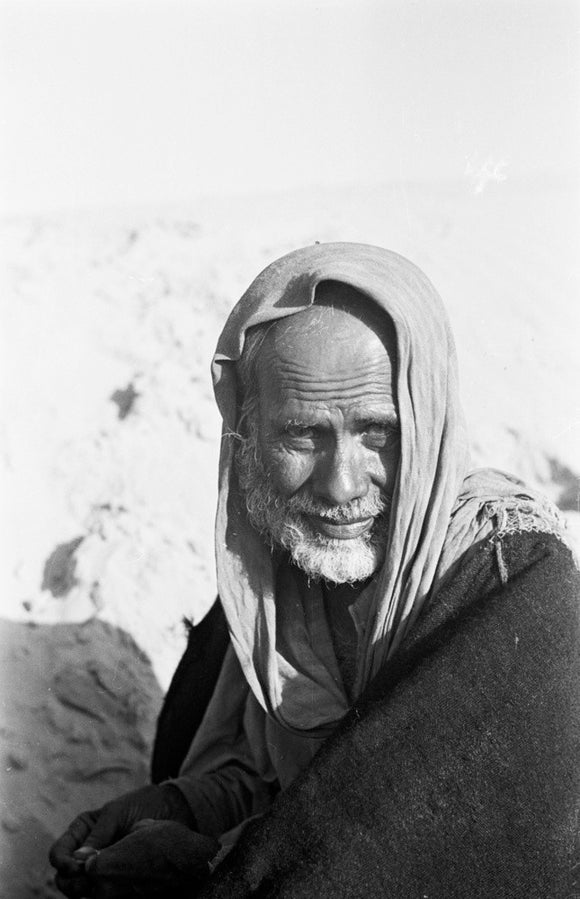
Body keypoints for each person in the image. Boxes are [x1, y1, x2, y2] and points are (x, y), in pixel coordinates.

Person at [50, 243, 579, 898]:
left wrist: (205, 865)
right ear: (247, 435)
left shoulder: (512, 580)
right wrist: (179, 806)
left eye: (379, 432)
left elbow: (421, 851)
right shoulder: (276, 574)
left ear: (432, 421)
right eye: (302, 434)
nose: (341, 485)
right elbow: (285, 786)